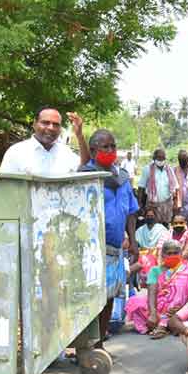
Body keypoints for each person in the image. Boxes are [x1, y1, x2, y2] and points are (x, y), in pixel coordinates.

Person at [78, 129, 138, 348]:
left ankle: (99, 345)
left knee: (109, 298)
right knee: (90, 299)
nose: (111, 150)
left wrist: (133, 240)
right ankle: (85, 346)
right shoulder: (85, 177)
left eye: (113, 146)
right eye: (105, 147)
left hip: (115, 249)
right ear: (93, 150)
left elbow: (131, 211)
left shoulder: (122, 177)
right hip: (91, 250)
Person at [125, 240, 188, 338]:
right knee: (135, 302)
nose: (172, 256)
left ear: (181, 254)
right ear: (163, 255)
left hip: (180, 308)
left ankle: (163, 325)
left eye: (175, 253)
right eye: (169, 253)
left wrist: (182, 308)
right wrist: (153, 313)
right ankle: (169, 324)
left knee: (181, 288)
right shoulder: (155, 271)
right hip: (160, 307)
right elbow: (151, 294)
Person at [1, 108, 89, 174]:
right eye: (45, 123)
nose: (51, 128)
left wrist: (79, 135)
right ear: (35, 124)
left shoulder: (65, 152)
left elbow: (84, 167)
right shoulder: (16, 152)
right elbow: (7, 186)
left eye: (56, 124)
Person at [138, 148, 178, 226]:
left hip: (166, 204)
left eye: (163, 158)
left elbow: (176, 187)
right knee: (152, 226)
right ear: (154, 158)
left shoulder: (169, 170)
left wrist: (176, 203)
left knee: (165, 227)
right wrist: (139, 203)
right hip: (152, 205)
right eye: (159, 157)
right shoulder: (147, 169)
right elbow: (141, 187)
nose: (161, 160)